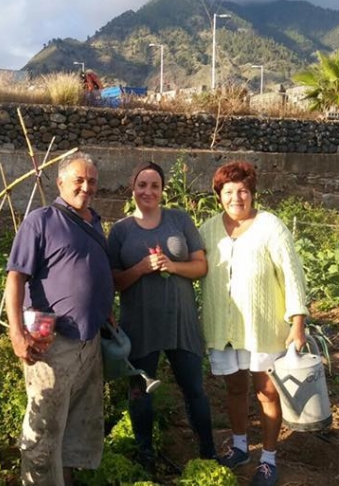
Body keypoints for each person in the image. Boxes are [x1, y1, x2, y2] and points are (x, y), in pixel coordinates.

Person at [5, 151, 115, 486]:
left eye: (92, 181)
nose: (86, 187)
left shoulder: (94, 221)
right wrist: (16, 332)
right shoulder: (41, 220)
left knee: (75, 425)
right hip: (52, 344)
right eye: (79, 180)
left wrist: (104, 308)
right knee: (43, 432)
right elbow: (15, 276)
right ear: (61, 182)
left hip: (88, 341)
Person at [199, 160, 308, 486]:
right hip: (224, 327)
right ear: (219, 195)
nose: (236, 198)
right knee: (234, 388)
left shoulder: (271, 227)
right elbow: (192, 265)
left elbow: (292, 274)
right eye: (229, 191)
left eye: (243, 191)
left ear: (252, 193)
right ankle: (241, 446)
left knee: (266, 392)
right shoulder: (207, 229)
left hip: (263, 327)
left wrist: (297, 322)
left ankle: (269, 458)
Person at [107, 161, 216, 473]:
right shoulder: (121, 231)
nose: (148, 191)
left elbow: (201, 267)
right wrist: (140, 269)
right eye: (142, 185)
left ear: (162, 189)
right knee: (141, 392)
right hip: (140, 325)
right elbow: (115, 282)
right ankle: (146, 454)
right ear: (133, 189)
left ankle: (207, 451)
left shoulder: (179, 220)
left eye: (155, 185)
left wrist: (172, 265)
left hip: (180, 323)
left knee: (194, 388)